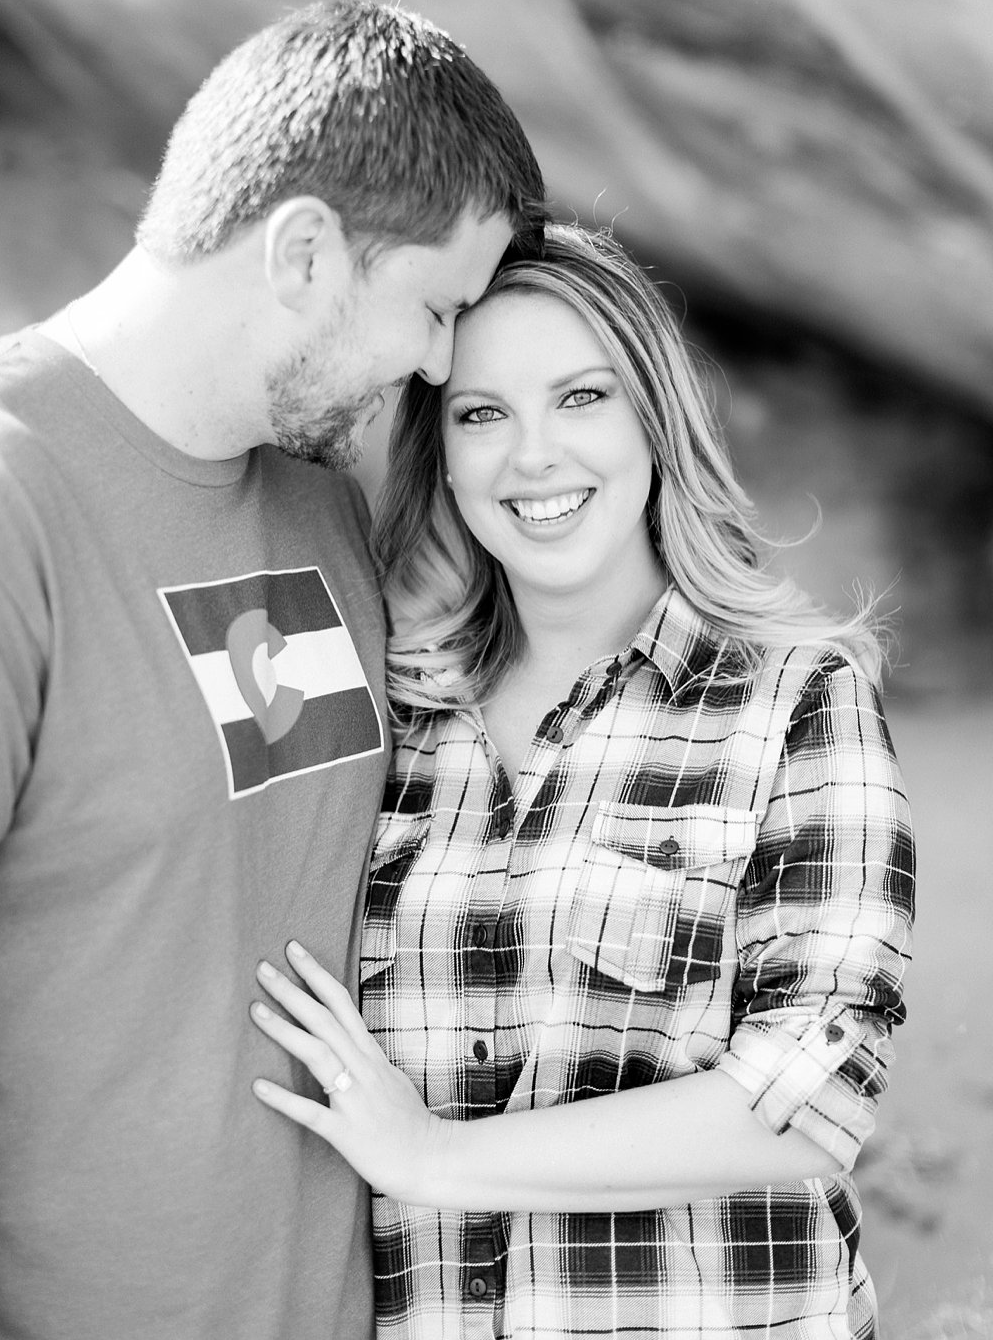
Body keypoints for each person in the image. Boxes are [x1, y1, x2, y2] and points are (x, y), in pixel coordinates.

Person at [0, 0, 547, 1337]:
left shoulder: (324, 503)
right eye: (435, 305)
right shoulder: (0, 497)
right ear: (302, 252)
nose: (442, 361)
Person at [249, 223, 914, 1338]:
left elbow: (813, 1096)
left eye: (580, 397)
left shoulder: (797, 698)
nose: (532, 457)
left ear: (653, 416)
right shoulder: (384, 711)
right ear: (441, 448)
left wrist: (434, 1155)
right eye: (481, 413)